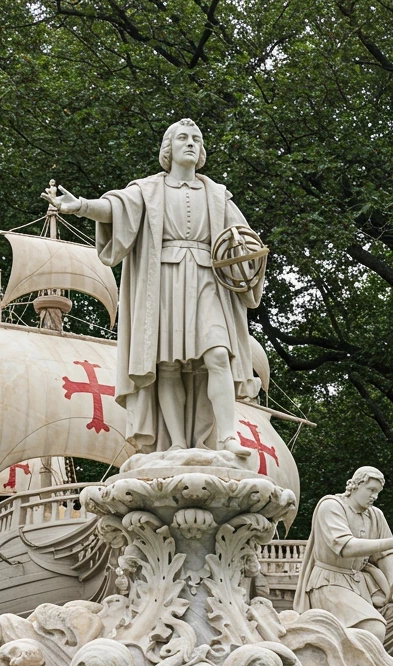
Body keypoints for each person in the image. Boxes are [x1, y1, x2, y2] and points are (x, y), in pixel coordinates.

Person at [42, 119, 264, 455]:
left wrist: (250, 263)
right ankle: (174, 443)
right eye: (183, 138)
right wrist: (83, 206)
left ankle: (227, 436)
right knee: (167, 365)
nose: (191, 143)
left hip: (208, 282)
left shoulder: (218, 195)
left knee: (218, 356)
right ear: (168, 149)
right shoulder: (148, 189)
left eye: (197, 139)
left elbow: (245, 241)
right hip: (163, 282)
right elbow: (116, 208)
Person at [293, 466, 393, 655]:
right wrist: (391, 542)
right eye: (371, 490)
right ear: (355, 486)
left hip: (362, 583)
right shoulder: (331, 506)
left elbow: (385, 554)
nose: (375, 496)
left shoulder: (375, 515)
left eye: (377, 492)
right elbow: (345, 547)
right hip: (330, 582)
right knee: (373, 629)